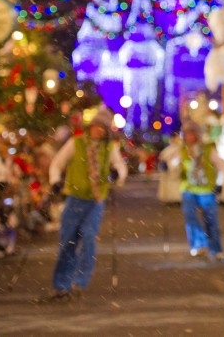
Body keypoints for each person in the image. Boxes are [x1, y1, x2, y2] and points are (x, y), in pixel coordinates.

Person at [40, 107, 126, 302]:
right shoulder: (76, 143)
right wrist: (55, 181)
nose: (100, 131)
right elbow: (57, 163)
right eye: (98, 127)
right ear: (91, 126)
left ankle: (80, 280)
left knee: (88, 238)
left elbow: (120, 165)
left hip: (96, 200)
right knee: (67, 242)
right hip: (74, 198)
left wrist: (117, 175)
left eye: (104, 128)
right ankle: (62, 284)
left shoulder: (109, 147)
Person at [174, 121, 224, 261]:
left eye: (192, 133)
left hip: (206, 189)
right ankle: (198, 245)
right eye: (187, 134)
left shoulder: (208, 149)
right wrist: (166, 165)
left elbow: (221, 166)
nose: (189, 137)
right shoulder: (183, 150)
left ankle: (215, 248)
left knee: (211, 220)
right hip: (188, 189)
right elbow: (174, 161)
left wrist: (219, 184)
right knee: (190, 218)